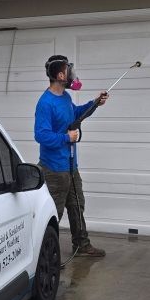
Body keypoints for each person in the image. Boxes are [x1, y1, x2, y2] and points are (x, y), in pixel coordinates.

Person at [35, 54, 109, 258]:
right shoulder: (45, 103)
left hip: (70, 166)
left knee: (77, 206)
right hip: (54, 171)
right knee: (54, 214)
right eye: (68, 71)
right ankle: (45, 255)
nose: (72, 75)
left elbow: (75, 114)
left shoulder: (66, 98)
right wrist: (66, 138)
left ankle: (82, 244)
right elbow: (40, 134)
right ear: (60, 75)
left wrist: (94, 104)